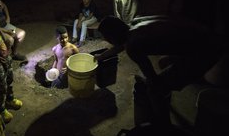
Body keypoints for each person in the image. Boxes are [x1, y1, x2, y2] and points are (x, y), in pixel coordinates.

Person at [94, 15, 228, 126]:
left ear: (113, 36)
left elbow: (152, 79)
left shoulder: (133, 45)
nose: (108, 41)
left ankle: (163, 128)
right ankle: (166, 96)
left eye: (108, 38)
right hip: (204, 34)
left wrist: (150, 82)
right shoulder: (135, 22)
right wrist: (101, 57)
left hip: (206, 51)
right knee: (164, 63)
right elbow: (121, 44)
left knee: (154, 89)